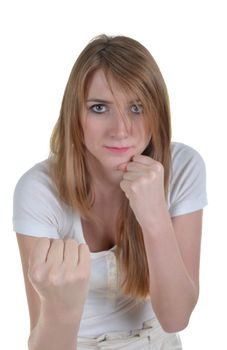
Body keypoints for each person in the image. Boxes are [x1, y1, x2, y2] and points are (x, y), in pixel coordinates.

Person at [13, 34, 207, 350]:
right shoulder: (39, 190)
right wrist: (63, 308)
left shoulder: (183, 167)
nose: (120, 129)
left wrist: (155, 217)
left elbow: (176, 318)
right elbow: (43, 342)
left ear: (158, 113)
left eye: (137, 107)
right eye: (100, 107)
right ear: (75, 116)